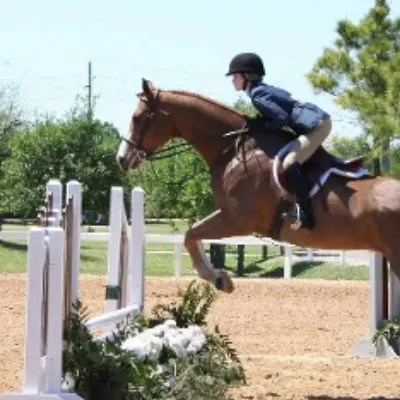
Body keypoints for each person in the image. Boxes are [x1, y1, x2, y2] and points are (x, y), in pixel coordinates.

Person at [225, 52, 332, 230]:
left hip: (317, 125)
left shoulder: (257, 96)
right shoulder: (262, 90)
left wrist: (259, 124)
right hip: (310, 123)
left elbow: (281, 119)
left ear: (247, 76)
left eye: (235, 76)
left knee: (290, 162)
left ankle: (305, 213)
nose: (232, 80)